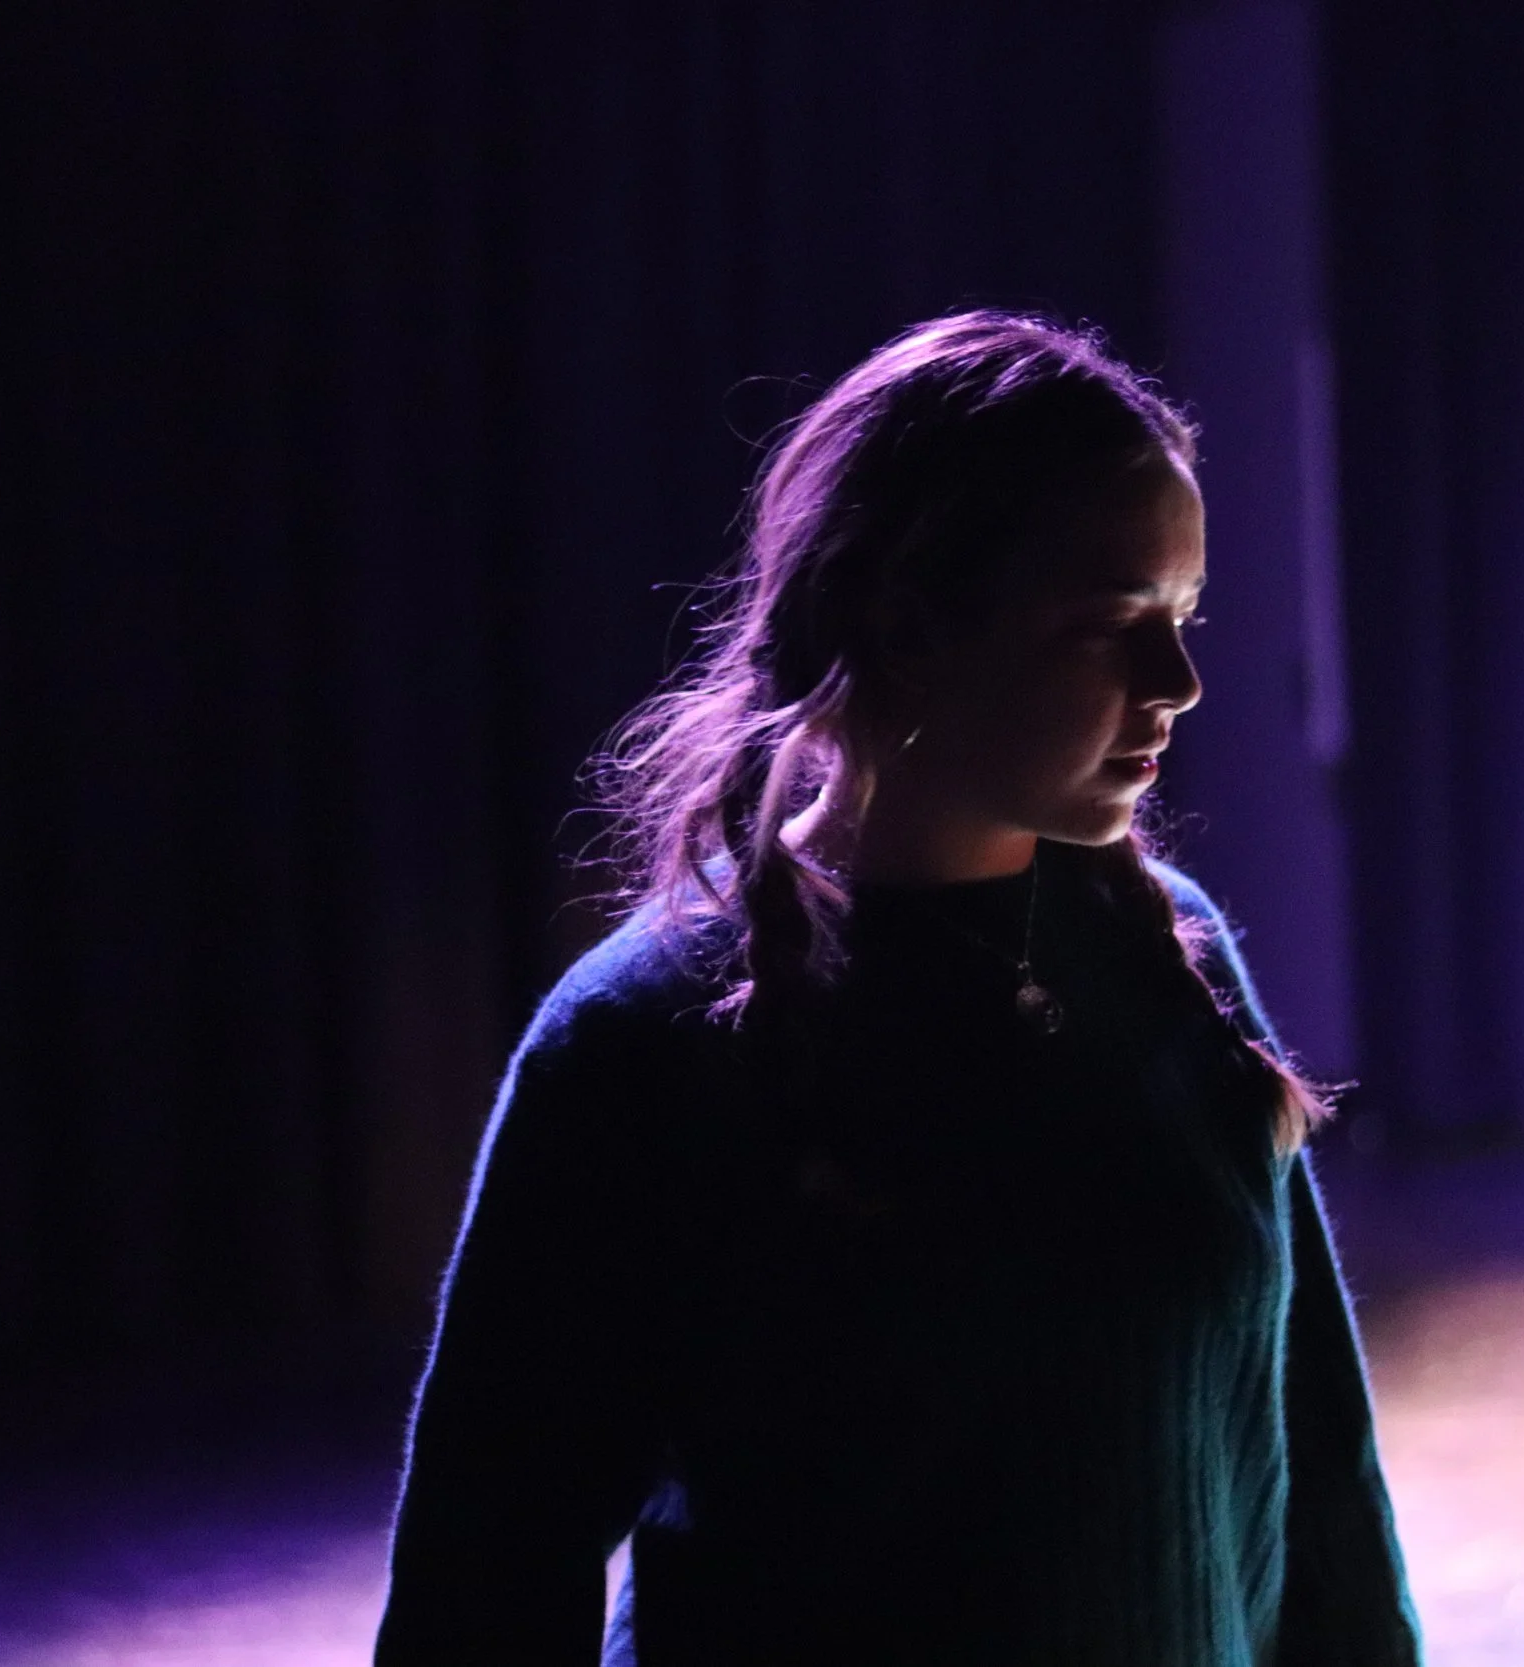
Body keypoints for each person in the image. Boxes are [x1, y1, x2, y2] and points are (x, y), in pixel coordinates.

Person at [373, 311, 1421, 1666]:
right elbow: (485, 1572)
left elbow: (1316, 1456)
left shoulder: (1169, 952)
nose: (1180, 682)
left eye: (1182, 617)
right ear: (912, 624)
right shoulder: (646, 1036)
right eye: (1112, 623)